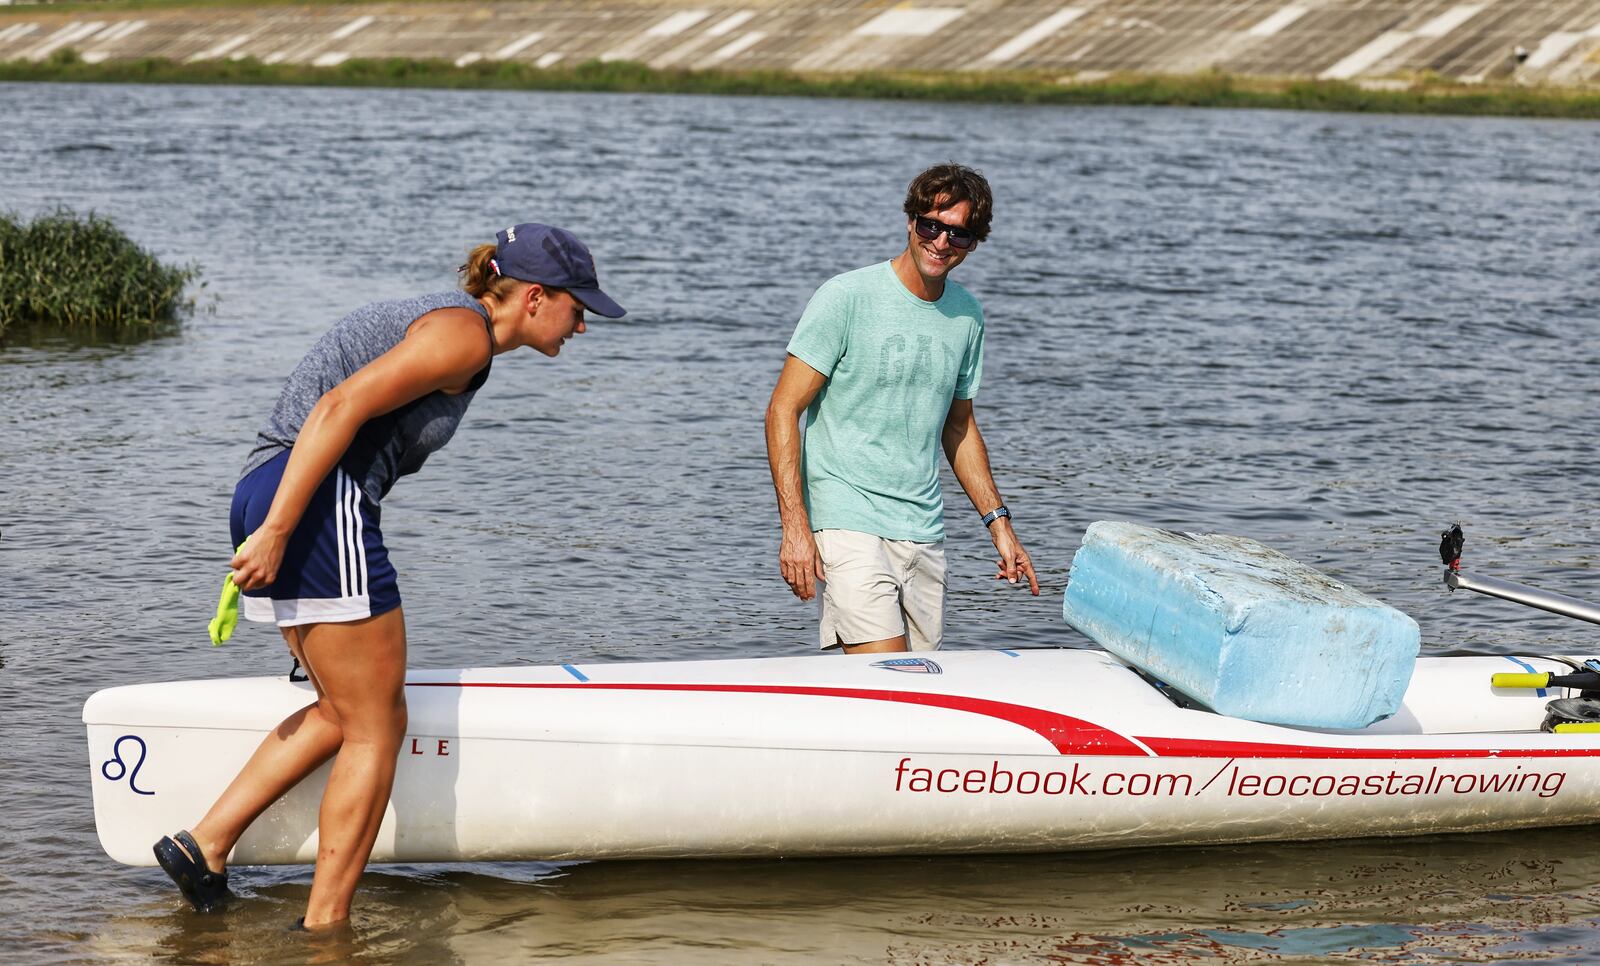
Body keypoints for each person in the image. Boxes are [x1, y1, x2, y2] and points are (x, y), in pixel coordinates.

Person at [152, 223, 626, 928]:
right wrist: (280, 531)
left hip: (275, 485)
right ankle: (327, 926)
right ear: (533, 297)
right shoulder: (462, 336)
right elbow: (337, 408)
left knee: (348, 712)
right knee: (378, 722)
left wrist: (273, 518)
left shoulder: (458, 329)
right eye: (577, 305)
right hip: (311, 496)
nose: (583, 324)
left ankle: (205, 845)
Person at [764, 163, 1039, 655]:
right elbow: (783, 410)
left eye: (959, 234)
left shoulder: (966, 315)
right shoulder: (846, 297)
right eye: (932, 225)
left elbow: (959, 428)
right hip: (847, 518)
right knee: (887, 679)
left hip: (924, 529)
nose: (941, 242)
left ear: (974, 242)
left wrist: (1000, 526)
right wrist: (795, 528)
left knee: (916, 695)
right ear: (911, 221)